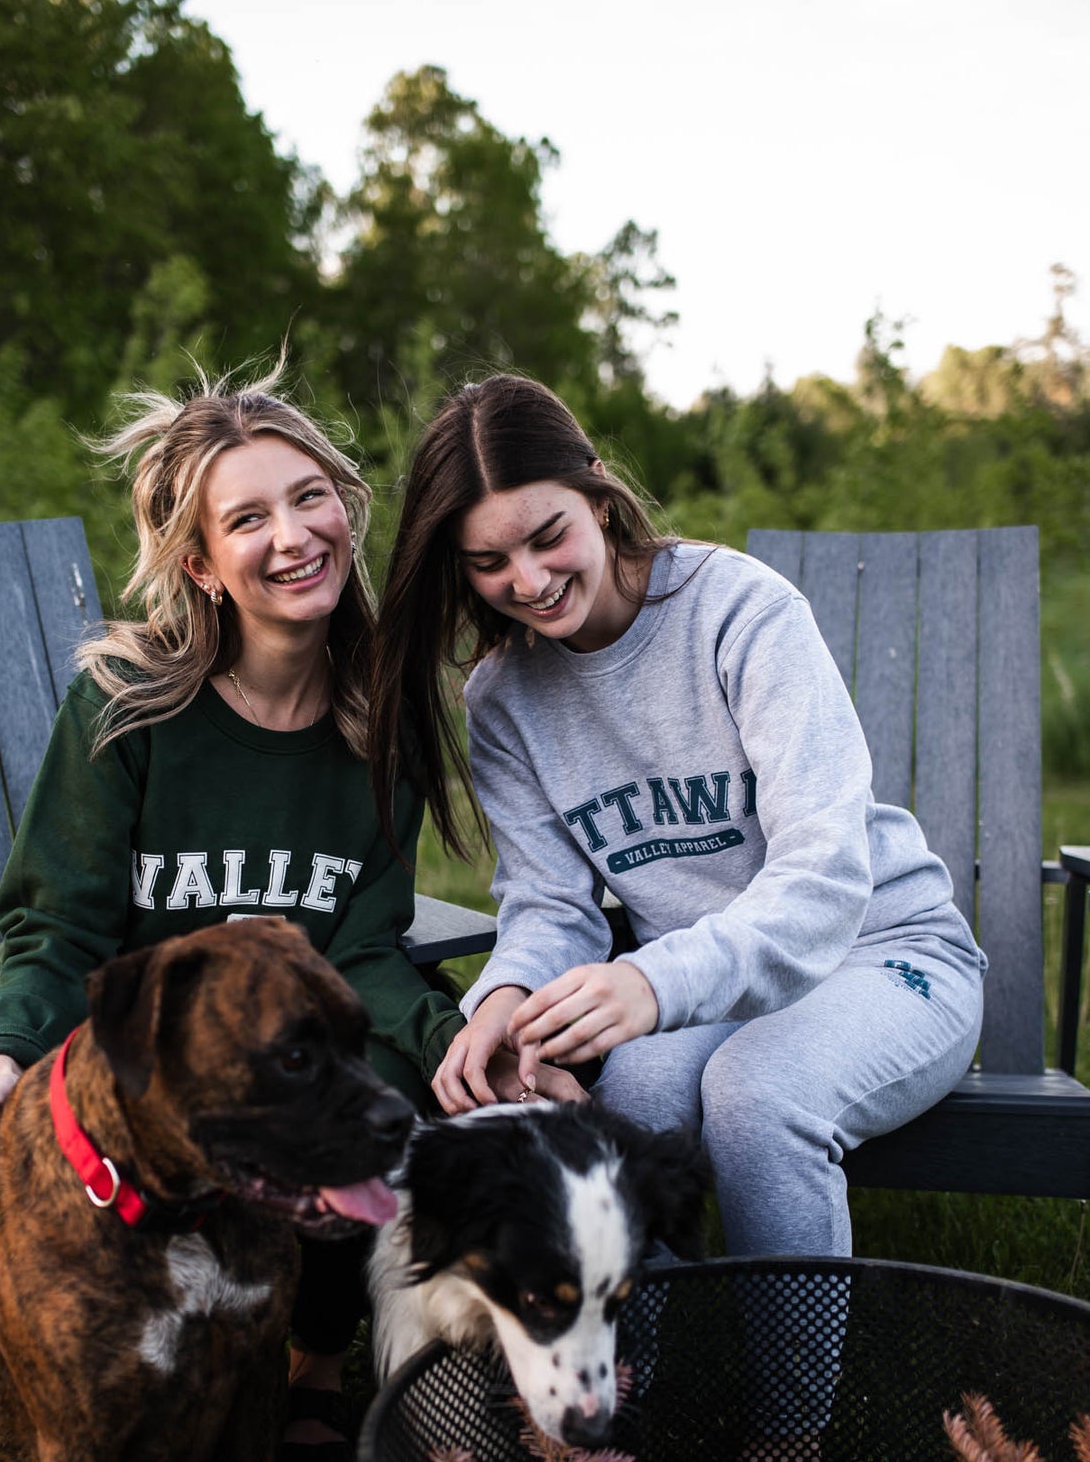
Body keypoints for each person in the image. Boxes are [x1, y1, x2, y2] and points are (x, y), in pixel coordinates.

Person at [0, 367, 466, 1462]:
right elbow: (57, 923)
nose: (294, 536)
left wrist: (456, 1035)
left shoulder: (380, 721)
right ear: (201, 566)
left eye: (310, 497)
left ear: (346, 507)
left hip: (296, 1065)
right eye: (249, 518)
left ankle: (315, 1371)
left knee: (388, 1092)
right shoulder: (129, 709)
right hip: (149, 1085)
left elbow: (367, 943)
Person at [370, 372, 987, 1270]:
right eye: (490, 562)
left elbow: (823, 875)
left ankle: (791, 1416)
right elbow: (550, 905)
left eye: (550, 536)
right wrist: (501, 1002)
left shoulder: (739, 611)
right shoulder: (504, 697)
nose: (530, 580)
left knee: (756, 1093)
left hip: (885, 954)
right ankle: (621, 1385)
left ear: (598, 492)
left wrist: (651, 984)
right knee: (640, 1088)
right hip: (711, 990)